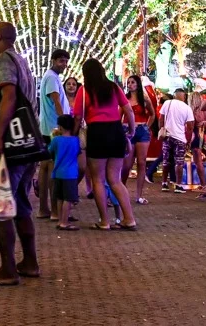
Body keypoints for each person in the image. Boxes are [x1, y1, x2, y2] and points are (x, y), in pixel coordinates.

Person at [0, 21, 40, 285]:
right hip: (26, 145)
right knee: (21, 205)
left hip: (9, 145)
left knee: (0, 204)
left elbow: (9, 97)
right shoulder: (19, 61)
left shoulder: (4, 60)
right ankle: (29, 262)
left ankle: (7, 270)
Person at [72, 58, 138, 231]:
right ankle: (129, 218)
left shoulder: (84, 91)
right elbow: (128, 109)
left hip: (97, 133)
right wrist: (130, 131)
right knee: (115, 179)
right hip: (116, 131)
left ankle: (104, 221)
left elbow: (78, 117)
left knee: (98, 180)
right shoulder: (113, 87)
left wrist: (73, 134)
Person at [36, 49, 70, 219]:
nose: (63, 65)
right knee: (51, 168)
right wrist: (64, 124)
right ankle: (54, 211)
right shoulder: (51, 78)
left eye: (65, 61)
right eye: (61, 61)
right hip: (53, 130)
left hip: (48, 128)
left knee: (45, 168)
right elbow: (56, 100)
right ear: (53, 60)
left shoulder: (51, 77)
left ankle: (44, 208)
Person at [123, 74, 153, 205]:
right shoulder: (124, 99)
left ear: (138, 84)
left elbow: (152, 114)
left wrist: (147, 126)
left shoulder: (145, 99)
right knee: (127, 165)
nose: (130, 84)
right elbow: (119, 116)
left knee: (141, 163)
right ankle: (120, 191)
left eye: (133, 82)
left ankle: (139, 195)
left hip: (142, 131)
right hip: (128, 131)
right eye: (128, 82)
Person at [48, 114, 81, 229]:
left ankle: (60, 220)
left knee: (60, 198)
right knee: (68, 199)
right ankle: (65, 222)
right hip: (71, 174)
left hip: (57, 173)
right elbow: (78, 153)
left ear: (60, 127)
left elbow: (49, 151)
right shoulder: (76, 141)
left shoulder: (56, 140)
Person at [158, 88, 194, 192]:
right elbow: (190, 127)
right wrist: (188, 141)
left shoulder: (167, 103)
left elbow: (161, 118)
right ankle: (178, 185)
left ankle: (164, 183)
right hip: (180, 138)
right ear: (184, 96)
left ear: (174, 95)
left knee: (166, 161)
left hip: (167, 136)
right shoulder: (187, 108)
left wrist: (162, 129)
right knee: (179, 162)